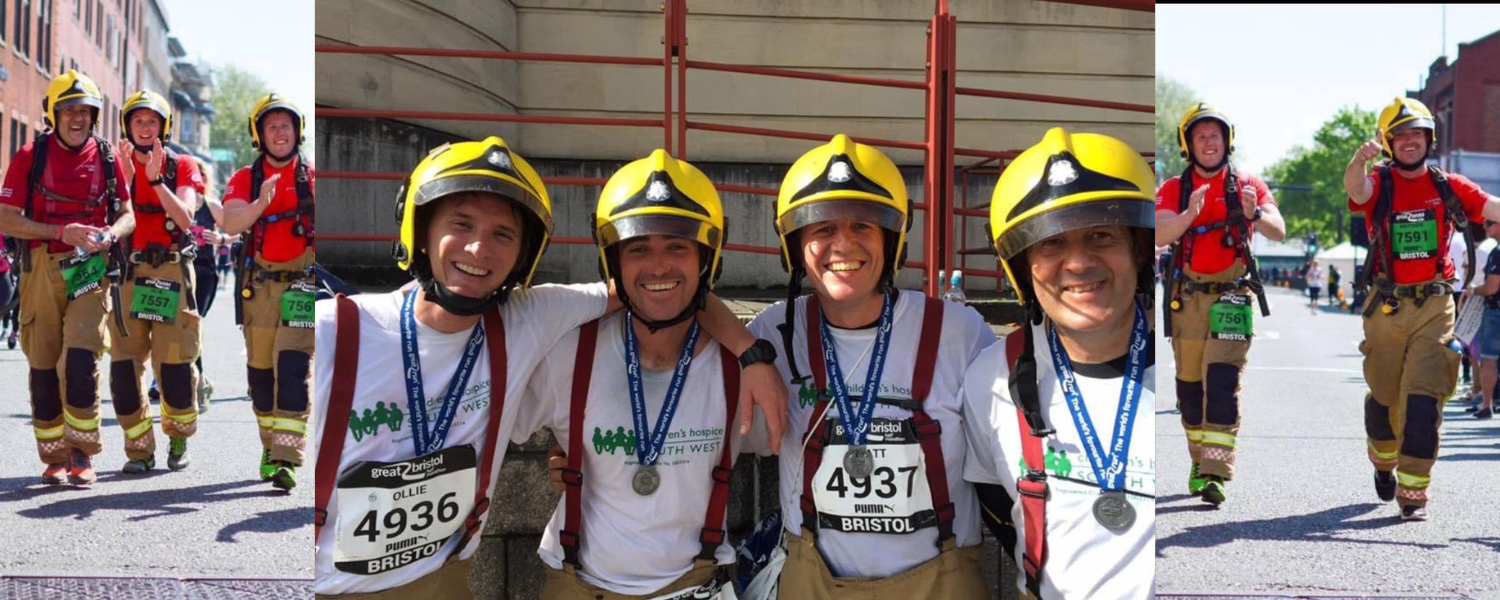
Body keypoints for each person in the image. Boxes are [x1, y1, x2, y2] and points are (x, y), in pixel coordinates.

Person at [312, 138, 786, 598]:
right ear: (420, 228)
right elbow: (649, 286)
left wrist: (750, 351)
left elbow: (664, 290)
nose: (479, 250)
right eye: (462, 224)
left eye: (503, 235)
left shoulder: (527, 321)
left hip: (450, 579)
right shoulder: (335, 329)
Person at [740, 134, 997, 599]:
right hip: (813, 578)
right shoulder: (773, 331)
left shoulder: (958, 332)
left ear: (893, 240)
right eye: (821, 228)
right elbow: (678, 298)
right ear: (793, 246)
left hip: (941, 580)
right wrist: (747, 352)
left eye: (863, 226)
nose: (843, 244)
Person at [520, 150, 770, 599]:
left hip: (696, 584)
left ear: (706, 258)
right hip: (578, 582)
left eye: (678, 245)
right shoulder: (567, 355)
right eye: (638, 248)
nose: (658, 266)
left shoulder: (740, 371)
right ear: (612, 263)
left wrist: (753, 356)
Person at [961, 128, 1154, 600]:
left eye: (1101, 234)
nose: (1078, 263)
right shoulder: (991, 379)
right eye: (1050, 243)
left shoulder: (1183, 366)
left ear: (1139, 248)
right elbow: (994, 502)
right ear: (1022, 267)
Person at [1343, 97, 1500, 521]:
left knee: (1425, 397)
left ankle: (1414, 489)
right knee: (1385, 395)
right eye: (1401, 135)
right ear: (1388, 142)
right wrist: (1359, 160)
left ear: (1429, 139)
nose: (1410, 142)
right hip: (1387, 304)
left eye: (1417, 134)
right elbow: (1356, 190)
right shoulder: (1380, 181)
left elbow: (1492, 208)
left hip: (1435, 302)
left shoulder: (1449, 184)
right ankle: (1383, 458)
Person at [0, 70, 134, 486]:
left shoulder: (109, 158)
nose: (78, 118)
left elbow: (127, 215)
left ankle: (82, 452)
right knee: (43, 367)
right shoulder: (29, 156)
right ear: (53, 114)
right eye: (69, 110)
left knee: (80, 360)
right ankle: (54, 457)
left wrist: (110, 234)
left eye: (86, 111)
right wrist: (60, 232)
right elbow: (6, 218)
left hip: (91, 272)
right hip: (41, 268)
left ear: (95, 117)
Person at [1154, 103, 1287, 505]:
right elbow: (1159, 233)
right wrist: (1188, 216)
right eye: (1201, 137)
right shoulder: (1175, 189)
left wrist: (1255, 212)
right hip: (1188, 297)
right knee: (1190, 390)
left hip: (1232, 295)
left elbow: (1279, 231)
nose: (1209, 143)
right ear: (1188, 145)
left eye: (1215, 136)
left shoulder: (1248, 184)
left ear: (1227, 141)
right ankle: (1198, 459)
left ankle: (1215, 472)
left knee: (1223, 383)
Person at [106, 89, 207, 473]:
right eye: (138, 121)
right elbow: (106, 216)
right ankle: (139, 449)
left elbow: (186, 218)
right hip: (129, 272)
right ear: (127, 126)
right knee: (124, 369)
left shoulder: (183, 164)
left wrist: (155, 180)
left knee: (175, 367)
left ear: (163, 127)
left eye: (152, 121)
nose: (145, 128)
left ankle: (178, 435)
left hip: (170, 272)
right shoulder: (114, 162)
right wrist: (127, 179)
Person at [222, 93, 317, 490]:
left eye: (287, 125)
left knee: (293, 370)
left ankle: (286, 459)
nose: (281, 133)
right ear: (259, 135)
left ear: (298, 132)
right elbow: (230, 223)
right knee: (261, 377)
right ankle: (269, 444)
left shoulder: (312, 177)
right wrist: (262, 203)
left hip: (302, 287)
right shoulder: (246, 177)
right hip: (259, 287)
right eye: (272, 126)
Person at [1465, 220, 1499, 419]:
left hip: (1495, 311)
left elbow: (1492, 287)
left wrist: (1474, 290)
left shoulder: (1498, 252)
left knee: (1489, 359)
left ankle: (1487, 404)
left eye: (1489, 224)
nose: (1485, 228)